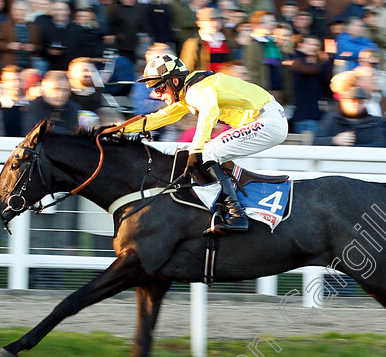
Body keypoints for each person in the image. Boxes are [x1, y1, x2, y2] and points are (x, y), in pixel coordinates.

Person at [114, 54, 289, 235]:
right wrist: (117, 130)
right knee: (207, 153)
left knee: (208, 152)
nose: (156, 95)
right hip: (266, 118)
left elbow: (209, 111)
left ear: (174, 81)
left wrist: (195, 149)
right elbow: (159, 117)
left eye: (159, 88)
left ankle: (237, 215)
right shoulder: (189, 92)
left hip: (268, 120)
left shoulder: (196, 90)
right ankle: (228, 208)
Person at [23, 70, 82, 135]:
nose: (61, 94)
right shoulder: (33, 106)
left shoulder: (73, 107)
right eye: (56, 89)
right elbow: (35, 132)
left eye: (65, 90)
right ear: (44, 90)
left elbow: (74, 134)